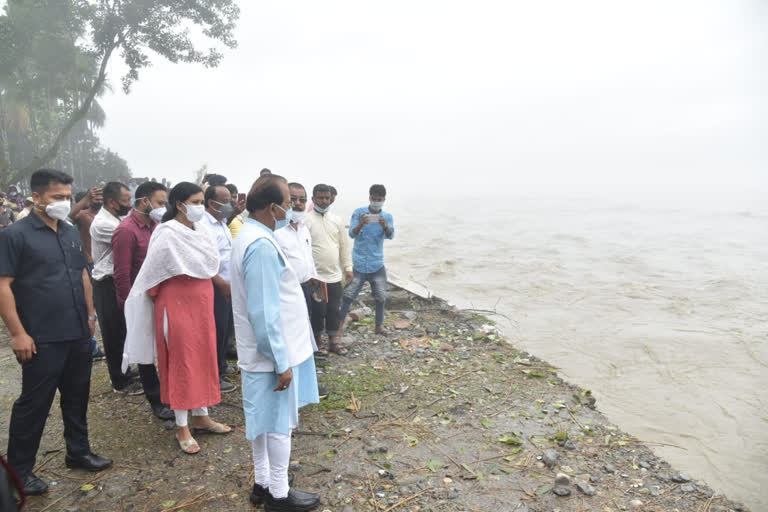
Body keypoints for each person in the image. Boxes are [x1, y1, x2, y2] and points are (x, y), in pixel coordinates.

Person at [0, 169, 112, 497]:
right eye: (56, 197)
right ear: (36, 198)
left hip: (77, 330)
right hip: (40, 335)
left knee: (77, 396)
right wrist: (17, 334)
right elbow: (3, 286)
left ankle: (78, 451)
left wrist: (91, 316)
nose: (64, 203)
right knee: (34, 404)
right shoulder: (14, 236)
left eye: (67, 197)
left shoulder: (69, 231)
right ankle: (19, 472)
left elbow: (82, 275)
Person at [230, 174, 320, 511]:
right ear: (273, 207)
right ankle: (279, 496)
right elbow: (264, 313)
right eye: (287, 200)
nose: (292, 207)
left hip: (262, 352)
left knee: (264, 423)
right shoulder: (261, 246)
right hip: (271, 355)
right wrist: (281, 362)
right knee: (279, 425)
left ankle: (263, 483)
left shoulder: (250, 235)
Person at [123, 182, 231, 455]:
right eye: (194, 201)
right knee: (182, 360)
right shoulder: (167, 233)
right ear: (180, 204)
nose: (198, 206)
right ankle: (181, 425)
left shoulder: (203, 230)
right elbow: (152, 274)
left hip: (202, 300)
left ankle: (201, 416)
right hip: (176, 302)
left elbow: (209, 265)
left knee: (204, 356)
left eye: (201, 201)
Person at [110, 181, 174, 420]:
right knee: (145, 351)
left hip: (159, 295)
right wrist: (129, 306)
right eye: (159, 202)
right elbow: (122, 273)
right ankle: (156, 399)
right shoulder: (126, 230)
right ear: (144, 201)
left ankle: (171, 393)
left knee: (164, 345)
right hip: (139, 299)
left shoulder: (157, 226)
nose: (162, 207)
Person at [338, 184, 395, 336]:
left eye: (379, 199)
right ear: (369, 198)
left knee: (381, 297)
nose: (376, 202)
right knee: (348, 296)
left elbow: (390, 235)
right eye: (374, 199)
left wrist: (384, 226)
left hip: (377, 263)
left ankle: (379, 327)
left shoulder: (387, 217)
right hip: (358, 263)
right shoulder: (359, 213)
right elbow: (351, 234)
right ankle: (337, 329)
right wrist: (361, 224)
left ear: (384, 200)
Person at [304, 184, 352, 355]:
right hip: (316, 277)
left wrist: (348, 267)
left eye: (326, 198)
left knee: (334, 310)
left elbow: (344, 246)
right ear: (313, 199)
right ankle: (317, 344)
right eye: (320, 198)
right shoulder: (306, 221)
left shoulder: (336, 220)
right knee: (318, 311)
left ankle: (334, 342)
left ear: (331, 198)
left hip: (334, 276)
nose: (324, 201)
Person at [202, 184, 238, 392]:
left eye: (230, 200)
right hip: (216, 285)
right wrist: (221, 283)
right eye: (224, 201)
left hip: (229, 284)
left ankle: (222, 365)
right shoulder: (204, 225)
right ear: (211, 203)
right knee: (216, 330)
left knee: (225, 329)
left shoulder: (222, 222)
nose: (229, 204)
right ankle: (214, 374)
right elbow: (204, 260)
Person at [274, 182, 318, 315]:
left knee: (306, 325)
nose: (298, 203)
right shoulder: (275, 231)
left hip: (307, 288)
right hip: (286, 292)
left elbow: (308, 258)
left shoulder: (304, 229)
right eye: (293, 199)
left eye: (302, 200)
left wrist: (315, 281)